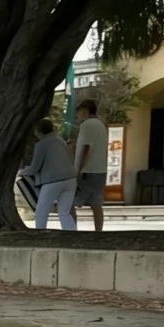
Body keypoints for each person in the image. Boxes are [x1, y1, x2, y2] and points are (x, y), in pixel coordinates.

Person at [21, 117, 77, 230]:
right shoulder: (60, 140)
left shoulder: (41, 144)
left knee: (42, 210)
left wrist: (22, 172)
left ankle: (40, 232)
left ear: (38, 131)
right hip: (70, 178)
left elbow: (35, 167)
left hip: (52, 180)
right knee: (64, 212)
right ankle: (71, 232)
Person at [72, 98, 108, 231]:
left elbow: (86, 147)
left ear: (85, 110)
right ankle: (98, 231)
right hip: (101, 170)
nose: (78, 115)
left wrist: (78, 168)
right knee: (96, 204)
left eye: (79, 111)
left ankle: (72, 229)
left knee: (69, 202)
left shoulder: (86, 125)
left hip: (87, 170)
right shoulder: (101, 125)